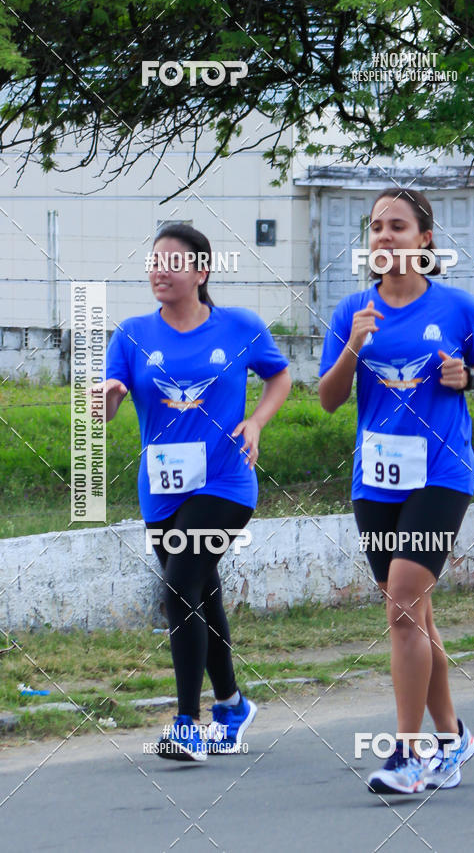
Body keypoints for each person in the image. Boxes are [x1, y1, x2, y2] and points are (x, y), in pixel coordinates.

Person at [318, 188, 474, 793]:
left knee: (399, 608)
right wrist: (353, 346)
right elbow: (329, 399)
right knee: (413, 614)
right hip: (376, 481)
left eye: (397, 226)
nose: (384, 236)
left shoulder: (459, 307)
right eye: (376, 227)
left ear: (425, 239)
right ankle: (452, 736)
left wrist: (467, 377)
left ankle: (407, 756)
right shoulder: (353, 311)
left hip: (441, 473)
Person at [103, 223, 291, 762]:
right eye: (154, 261)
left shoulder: (240, 326)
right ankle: (232, 704)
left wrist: (256, 422)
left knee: (179, 585)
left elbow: (279, 377)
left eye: (172, 262)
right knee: (200, 592)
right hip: (162, 490)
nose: (159, 271)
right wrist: (107, 397)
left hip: (225, 482)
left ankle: (187, 722)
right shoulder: (131, 334)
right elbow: (108, 405)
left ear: (202, 272)